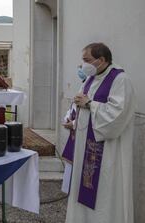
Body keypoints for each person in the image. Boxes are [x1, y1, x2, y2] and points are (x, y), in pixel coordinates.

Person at [66, 43, 136, 223]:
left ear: (101, 60)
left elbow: (118, 114)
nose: (83, 64)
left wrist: (89, 104)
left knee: (104, 191)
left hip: (107, 150)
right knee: (85, 185)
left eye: (87, 60)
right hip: (85, 147)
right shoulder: (91, 78)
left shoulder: (120, 79)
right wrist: (74, 121)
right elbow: (83, 105)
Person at [61, 66, 87, 194]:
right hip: (74, 133)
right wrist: (67, 119)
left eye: (82, 67)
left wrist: (75, 123)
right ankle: (69, 191)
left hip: (82, 134)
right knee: (70, 165)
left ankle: (75, 192)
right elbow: (73, 107)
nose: (80, 70)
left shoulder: (93, 89)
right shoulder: (83, 85)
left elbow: (90, 115)